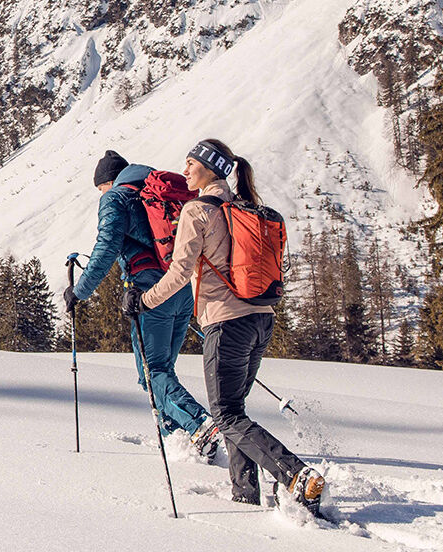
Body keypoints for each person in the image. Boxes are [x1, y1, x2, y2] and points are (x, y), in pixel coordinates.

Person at [135, 139, 326, 510]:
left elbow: (179, 272)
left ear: (209, 169)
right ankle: (245, 493)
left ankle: (296, 475)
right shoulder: (242, 207)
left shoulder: (197, 210)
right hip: (261, 320)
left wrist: (144, 301)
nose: (185, 170)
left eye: (190, 163)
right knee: (234, 410)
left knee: (225, 414)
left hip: (227, 323)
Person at [62, 150, 221, 457]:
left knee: (152, 372)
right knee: (162, 371)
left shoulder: (116, 198)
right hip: (183, 289)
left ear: (109, 181)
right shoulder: (158, 192)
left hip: (150, 296)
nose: (101, 194)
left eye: (101, 188)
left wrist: (78, 292)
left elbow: (106, 249)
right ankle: (180, 441)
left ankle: (199, 424)